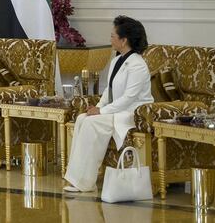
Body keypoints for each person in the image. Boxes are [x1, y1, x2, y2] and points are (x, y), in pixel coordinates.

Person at [63, 15, 153, 192]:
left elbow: (129, 98)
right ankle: (76, 178)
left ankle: (85, 182)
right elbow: (108, 91)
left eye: (113, 36)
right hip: (116, 110)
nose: (110, 39)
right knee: (82, 119)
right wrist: (98, 108)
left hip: (133, 113)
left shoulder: (138, 65)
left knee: (91, 123)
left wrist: (102, 112)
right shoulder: (116, 61)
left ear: (124, 40)